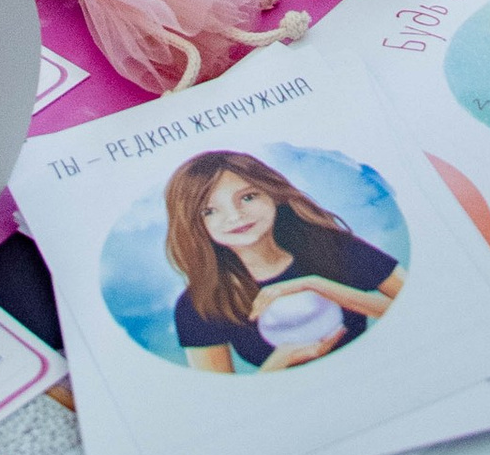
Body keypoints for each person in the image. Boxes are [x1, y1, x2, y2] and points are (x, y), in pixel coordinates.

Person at [162, 151, 403, 374]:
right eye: (209, 211)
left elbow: (413, 304)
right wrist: (281, 361)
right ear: (194, 224)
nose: (235, 216)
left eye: (247, 197)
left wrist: (315, 285)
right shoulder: (198, 303)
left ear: (273, 195)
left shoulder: (332, 246)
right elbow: (224, 400)